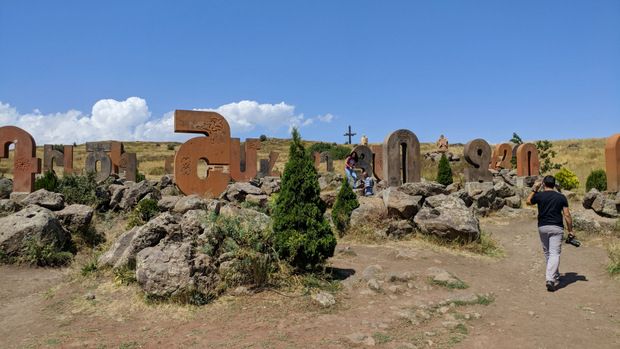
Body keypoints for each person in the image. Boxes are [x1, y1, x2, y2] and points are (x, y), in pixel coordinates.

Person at [526, 175, 574, 292]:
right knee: (555, 253)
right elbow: (567, 215)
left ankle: (555, 275)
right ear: (554, 184)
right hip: (557, 227)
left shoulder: (539, 196)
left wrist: (534, 190)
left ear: (543, 184)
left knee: (548, 253)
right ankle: (550, 279)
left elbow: (528, 202)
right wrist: (570, 230)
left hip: (542, 226)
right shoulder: (561, 197)